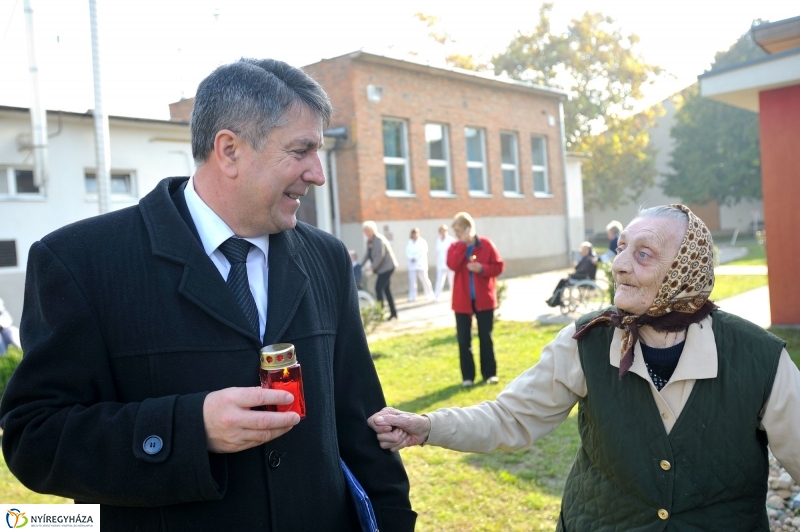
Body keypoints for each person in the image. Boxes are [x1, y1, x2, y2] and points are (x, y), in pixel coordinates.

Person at [0, 59, 415, 531]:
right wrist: (190, 429)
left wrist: (394, 521)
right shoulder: (80, 262)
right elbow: (34, 438)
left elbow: (361, 421)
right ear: (229, 150)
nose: (317, 174)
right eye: (301, 151)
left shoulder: (327, 257)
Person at [369, 204, 800, 531]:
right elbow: (509, 418)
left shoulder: (758, 358)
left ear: (685, 270)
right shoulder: (587, 340)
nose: (619, 264)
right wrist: (429, 427)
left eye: (644, 254)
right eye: (622, 248)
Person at [448, 212, 505, 387]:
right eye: (455, 231)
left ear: (468, 228)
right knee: (464, 340)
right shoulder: (455, 247)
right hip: (462, 301)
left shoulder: (486, 244)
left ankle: (490, 374)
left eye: (459, 230)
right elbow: (452, 264)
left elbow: (498, 266)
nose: (456, 234)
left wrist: (482, 268)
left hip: (484, 300)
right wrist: (462, 245)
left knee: (485, 337)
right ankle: (468, 377)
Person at [361, 221, 399, 320]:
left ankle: (380, 313)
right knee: (386, 290)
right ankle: (393, 313)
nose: (366, 233)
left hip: (387, 267)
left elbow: (380, 256)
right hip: (381, 269)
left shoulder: (378, 240)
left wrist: (372, 267)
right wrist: (360, 265)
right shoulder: (369, 241)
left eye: (367, 231)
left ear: (372, 230)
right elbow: (367, 255)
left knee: (378, 288)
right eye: (365, 231)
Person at [545, 241, 598, 307]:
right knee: (563, 281)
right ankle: (555, 298)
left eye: (583, 250)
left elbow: (582, 272)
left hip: (581, 279)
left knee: (563, 281)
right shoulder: (587, 258)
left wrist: (572, 275)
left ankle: (555, 299)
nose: (581, 251)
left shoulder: (588, 259)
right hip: (581, 278)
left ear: (587, 250)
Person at [404, 228, 434, 302]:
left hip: (420, 264)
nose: (414, 235)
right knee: (412, 282)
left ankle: (429, 294)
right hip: (412, 265)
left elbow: (423, 251)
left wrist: (415, 258)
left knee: (425, 280)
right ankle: (412, 296)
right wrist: (411, 258)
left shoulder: (422, 242)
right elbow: (407, 252)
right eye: (413, 234)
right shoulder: (409, 242)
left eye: (416, 233)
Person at [433, 224, 456, 301]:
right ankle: (436, 296)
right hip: (440, 264)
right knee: (439, 280)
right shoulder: (438, 240)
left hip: (449, 264)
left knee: (452, 281)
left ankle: (454, 296)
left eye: (444, 231)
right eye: (441, 231)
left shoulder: (451, 240)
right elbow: (436, 252)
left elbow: (454, 252)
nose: (443, 232)